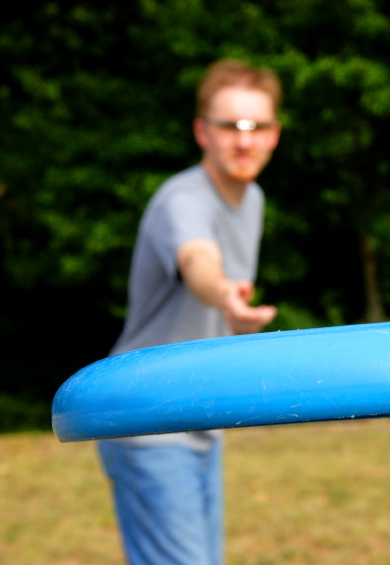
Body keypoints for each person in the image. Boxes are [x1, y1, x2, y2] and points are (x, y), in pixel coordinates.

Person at [98, 59, 282, 565]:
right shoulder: (182, 199)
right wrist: (223, 294)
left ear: (275, 135)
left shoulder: (254, 199)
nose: (243, 141)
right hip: (146, 416)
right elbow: (197, 258)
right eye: (229, 126)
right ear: (202, 131)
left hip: (201, 414)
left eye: (257, 126)